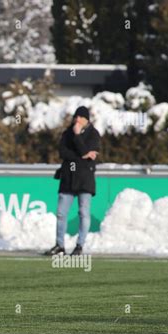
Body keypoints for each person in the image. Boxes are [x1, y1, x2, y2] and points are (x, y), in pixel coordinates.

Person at [45, 106, 101, 256]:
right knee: (61, 213)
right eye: (75, 117)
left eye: (81, 117)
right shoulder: (66, 133)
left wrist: (77, 137)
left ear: (87, 119)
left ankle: (79, 246)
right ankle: (59, 245)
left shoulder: (94, 134)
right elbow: (63, 152)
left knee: (83, 212)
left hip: (85, 179)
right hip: (68, 178)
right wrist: (81, 155)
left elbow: (87, 151)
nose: (77, 120)